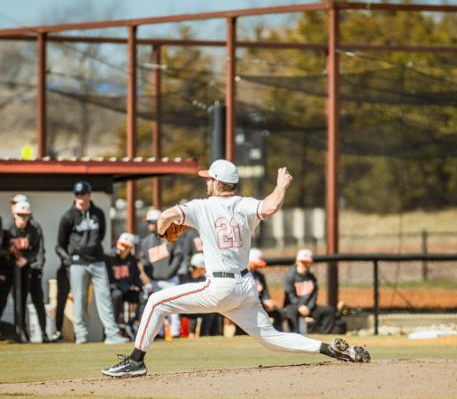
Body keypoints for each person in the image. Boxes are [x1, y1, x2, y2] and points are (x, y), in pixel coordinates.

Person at [102, 160, 370, 377]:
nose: (207, 181)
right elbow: (272, 205)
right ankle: (330, 349)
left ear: (217, 182)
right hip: (244, 286)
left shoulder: (201, 207)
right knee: (271, 338)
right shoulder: (245, 205)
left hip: (218, 286)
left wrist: (161, 234)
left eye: (209, 178)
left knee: (156, 301)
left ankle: (136, 361)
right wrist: (281, 184)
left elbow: (164, 217)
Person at [57, 181, 128, 344]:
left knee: (105, 297)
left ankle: (112, 334)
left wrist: (91, 249)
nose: (80, 198)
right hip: (77, 264)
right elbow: (61, 243)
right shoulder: (68, 216)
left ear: (89, 195)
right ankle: (81, 335)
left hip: (97, 261)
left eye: (83, 194)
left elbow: (101, 235)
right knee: (79, 299)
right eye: (77, 194)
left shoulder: (98, 214)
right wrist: (70, 260)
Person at [8, 201, 49, 342]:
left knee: (38, 300)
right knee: (20, 301)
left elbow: (38, 249)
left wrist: (28, 260)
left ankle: (44, 333)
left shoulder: (34, 228)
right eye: (20, 215)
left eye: (26, 216)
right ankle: (22, 333)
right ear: (14, 215)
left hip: (33, 269)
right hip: (17, 271)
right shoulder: (9, 229)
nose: (23, 219)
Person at [139, 208, 183, 337]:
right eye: (149, 222)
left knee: (174, 308)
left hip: (171, 279)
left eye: (152, 222)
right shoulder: (145, 242)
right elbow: (144, 260)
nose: (150, 225)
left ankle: (175, 333)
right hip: (155, 281)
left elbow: (178, 257)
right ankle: (160, 333)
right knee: (158, 309)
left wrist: (170, 273)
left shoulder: (170, 236)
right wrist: (151, 276)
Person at [283, 249, 344, 335]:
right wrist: (300, 306)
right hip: (294, 305)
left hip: (309, 307)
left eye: (307, 262)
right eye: (302, 262)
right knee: (291, 311)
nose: (305, 265)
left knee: (329, 311)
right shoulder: (290, 276)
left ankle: (323, 335)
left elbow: (314, 295)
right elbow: (290, 295)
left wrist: (308, 307)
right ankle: (295, 335)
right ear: (297, 262)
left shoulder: (311, 277)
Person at [105, 232, 143, 329]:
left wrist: (143, 287)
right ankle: (114, 326)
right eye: (121, 245)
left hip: (127, 290)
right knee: (117, 295)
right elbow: (107, 280)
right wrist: (120, 286)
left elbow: (135, 277)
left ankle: (135, 323)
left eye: (126, 247)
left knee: (145, 296)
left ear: (130, 248)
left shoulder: (132, 259)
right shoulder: (109, 257)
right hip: (114, 290)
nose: (122, 249)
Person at [183, 252, 222, 337]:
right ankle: (204, 335)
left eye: (193, 267)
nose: (191, 270)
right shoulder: (186, 277)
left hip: (200, 307)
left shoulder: (207, 278)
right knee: (210, 309)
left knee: (213, 308)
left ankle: (212, 334)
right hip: (187, 307)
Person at [248, 248, 284, 331]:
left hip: (261, 304)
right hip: (248, 305)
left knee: (278, 314)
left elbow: (265, 292)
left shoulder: (260, 276)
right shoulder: (241, 275)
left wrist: (267, 300)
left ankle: (276, 333)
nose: (257, 267)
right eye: (255, 264)